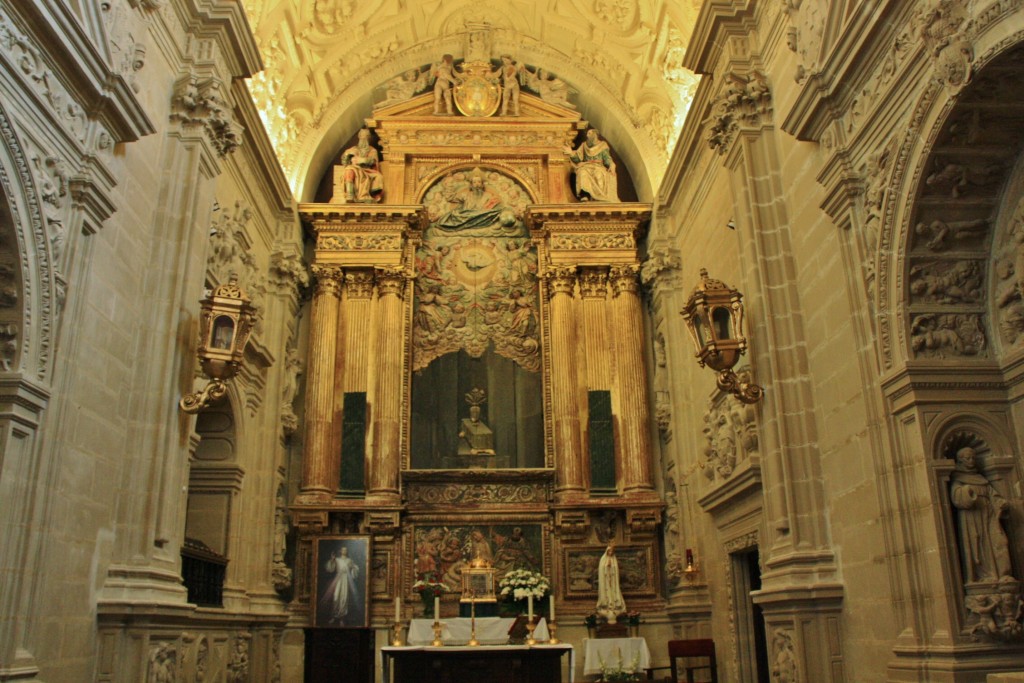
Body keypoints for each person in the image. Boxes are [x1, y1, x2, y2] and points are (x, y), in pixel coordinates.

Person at [950, 447, 1013, 584]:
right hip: (972, 517)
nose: (971, 460)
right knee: (977, 546)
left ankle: (1003, 574)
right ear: (960, 460)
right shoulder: (958, 478)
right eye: (968, 458)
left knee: (999, 541)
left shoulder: (981, 478)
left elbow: (992, 494)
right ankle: (983, 576)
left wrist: (1000, 503)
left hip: (989, 514)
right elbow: (956, 497)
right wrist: (966, 491)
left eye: (973, 457)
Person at [436, 168, 516, 232]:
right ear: (471, 185)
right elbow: (450, 198)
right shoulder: (465, 195)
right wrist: (449, 184)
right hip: (465, 216)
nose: (477, 184)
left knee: (501, 211)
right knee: (452, 214)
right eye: (474, 182)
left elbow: (494, 207)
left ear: (482, 184)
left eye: (479, 182)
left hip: (483, 217)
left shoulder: (488, 196)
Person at [564, 129, 620, 202]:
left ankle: (599, 198)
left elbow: (607, 158)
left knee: (598, 174)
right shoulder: (584, 145)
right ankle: (584, 195)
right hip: (586, 165)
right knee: (582, 172)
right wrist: (571, 152)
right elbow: (578, 158)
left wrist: (612, 164)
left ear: (595, 134)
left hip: (598, 166)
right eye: (587, 133)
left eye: (589, 133)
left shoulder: (603, 145)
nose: (587, 135)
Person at [339, 128, 383, 203]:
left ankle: (368, 195)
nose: (363, 139)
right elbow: (345, 161)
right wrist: (346, 156)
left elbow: (373, 161)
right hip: (354, 168)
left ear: (368, 138)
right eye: (362, 136)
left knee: (378, 176)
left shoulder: (372, 150)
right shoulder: (353, 149)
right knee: (349, 170)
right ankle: (350, 195)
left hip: (368, 171)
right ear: (359, 137)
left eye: (366, 137)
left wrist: (362, 160)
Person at [320, 546, 360, 625]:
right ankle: (334, 616)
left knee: (344, 598)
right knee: (335, 597)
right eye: (343, 550)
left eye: (345, 550)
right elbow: (330, 568)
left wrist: (353, 568)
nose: (344, 551)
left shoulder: (349, 560)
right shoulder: (337, 560)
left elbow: (355, 569)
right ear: (340, 551)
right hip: (338, 579)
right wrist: (332, 560)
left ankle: (342, 618)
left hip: (345, 580)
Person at [596, 544, 626, 623]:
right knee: (607, 593)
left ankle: (614, 606)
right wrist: (606, 567)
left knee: (613, 592)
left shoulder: (614, 560)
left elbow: (616, 571)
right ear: (607, 551)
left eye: (612, 551)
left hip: (613, 580)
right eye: (609, 551)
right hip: (605, 581)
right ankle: (607, 606)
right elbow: (601, 570)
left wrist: (612, 568)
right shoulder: (603, 559)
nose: (610, 552)